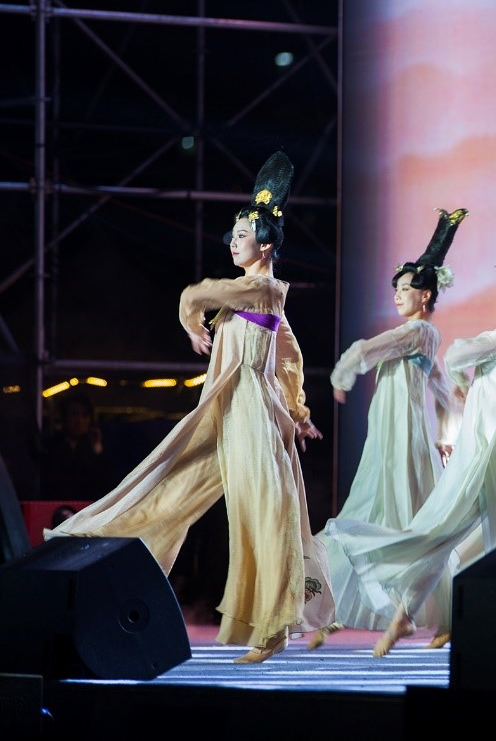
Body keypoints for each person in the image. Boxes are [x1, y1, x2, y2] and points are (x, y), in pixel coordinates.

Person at [46, 152, 334, 663]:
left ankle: (275, 625)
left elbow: (200, 292)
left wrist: (191, 316)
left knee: (265, 513)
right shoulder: (259, 300)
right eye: (232, 234)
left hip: (254, 416)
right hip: (227, 413)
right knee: (170, 483)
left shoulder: (263, 288)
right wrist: (300, 407)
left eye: (241, 234)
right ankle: (95, 543)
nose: (232, 241)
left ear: (266, 244)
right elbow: (289, 353)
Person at [323, 194, 496, 657]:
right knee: (442, 526)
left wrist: (463, 374)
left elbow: (459, 354)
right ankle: (405, 615)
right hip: (482, 441)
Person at [307, 208, 465, 649]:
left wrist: (343, 374)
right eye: (395, 289)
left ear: (426, 295)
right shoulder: (419, 339)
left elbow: (366, 348)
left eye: (405, 289)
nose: (397, 295)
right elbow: (440, 386)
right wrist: (449, 425)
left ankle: (413, 610)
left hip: (403, 439)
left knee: (397, 513)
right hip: (391, 436)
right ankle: (350, 608)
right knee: (378, 511)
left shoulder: (419, 333)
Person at [41, 391, 112, 501]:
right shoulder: (51, 446)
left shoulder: (94, 448)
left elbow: (105, 484)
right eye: (74, 414)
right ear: (65, 417)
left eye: (85, 415)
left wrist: (97, 447)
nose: (79, 421)